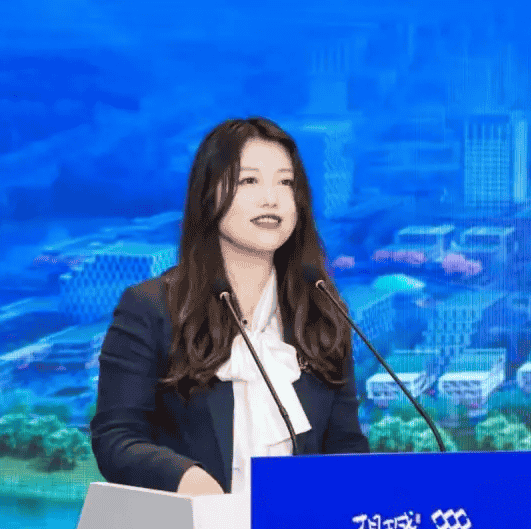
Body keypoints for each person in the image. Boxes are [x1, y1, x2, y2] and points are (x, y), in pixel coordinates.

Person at [90, 117, 369, 497]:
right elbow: (117, 438)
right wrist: (187, 479)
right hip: (192, 526)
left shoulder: (321, 309)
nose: (271, 198)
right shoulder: (151, 308)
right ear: (207, 195)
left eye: (285, 183)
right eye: (249, 181)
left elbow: (345, 446)